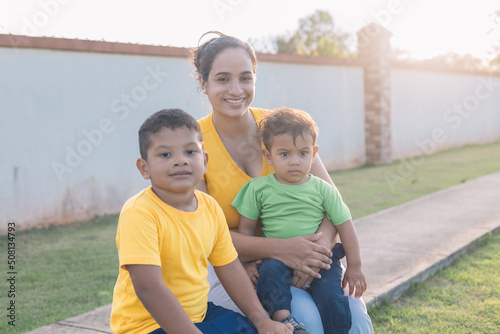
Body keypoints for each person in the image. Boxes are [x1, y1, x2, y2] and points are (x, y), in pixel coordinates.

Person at [191, 31, 374, 334]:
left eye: (245, 78)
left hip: (307, 258)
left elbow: (331, 202)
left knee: (353, 314)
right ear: (203, 83)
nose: (236, 90)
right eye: (223, 79)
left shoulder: (283, 127)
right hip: (238, 269)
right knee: (307, 321)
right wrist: (281, 250)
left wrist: (315, 254)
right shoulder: (193, 143)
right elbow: (206, 236)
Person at [109, 109, 294, 334]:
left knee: (251, 329)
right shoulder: (140, 212)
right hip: (147, 326)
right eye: (165, 155)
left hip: (201, 314)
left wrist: (262, 320)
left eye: (190, 151)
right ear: (144, 167)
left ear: (204, 160)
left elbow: (231, 269)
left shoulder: (209, 206)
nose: (180, 161)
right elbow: (149, 288)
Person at [233, 108, 367, 334]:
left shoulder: (324, 189)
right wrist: (246, 263)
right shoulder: (257, 189)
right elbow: (245, 230)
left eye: (302, 153)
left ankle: (338, 330)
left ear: (314, 153)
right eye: (284, 154)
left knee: (332, 297)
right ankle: (286, 320)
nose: (294, 162)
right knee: (268, 278)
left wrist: (355, 266)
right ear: (268, 156)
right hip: (274, 257)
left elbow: (345, 226)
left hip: (321, 260)